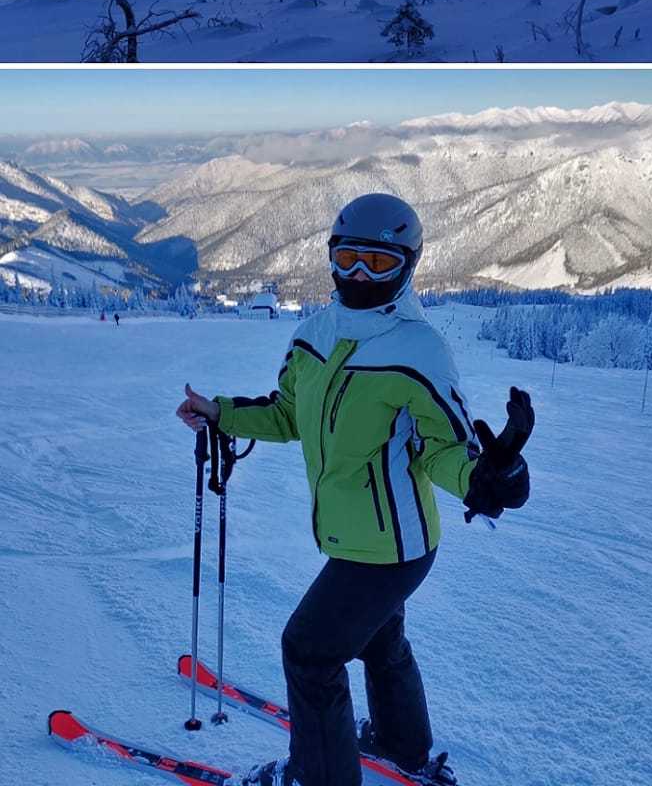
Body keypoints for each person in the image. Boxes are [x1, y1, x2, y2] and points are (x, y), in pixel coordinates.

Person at [177, 193, 533, 786]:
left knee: (310, 652)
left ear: (408, 266)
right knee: (381, 639)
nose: (360, 275)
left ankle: (316, 777)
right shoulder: (312, 336)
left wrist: (490, 477)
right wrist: (222, 413)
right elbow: (288, 414)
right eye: (348, 259)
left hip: (393, 548)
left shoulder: (418, 351)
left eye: (379, 262)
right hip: (353, 536)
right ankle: (402, 748)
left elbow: (443, 449)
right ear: (331, 258)